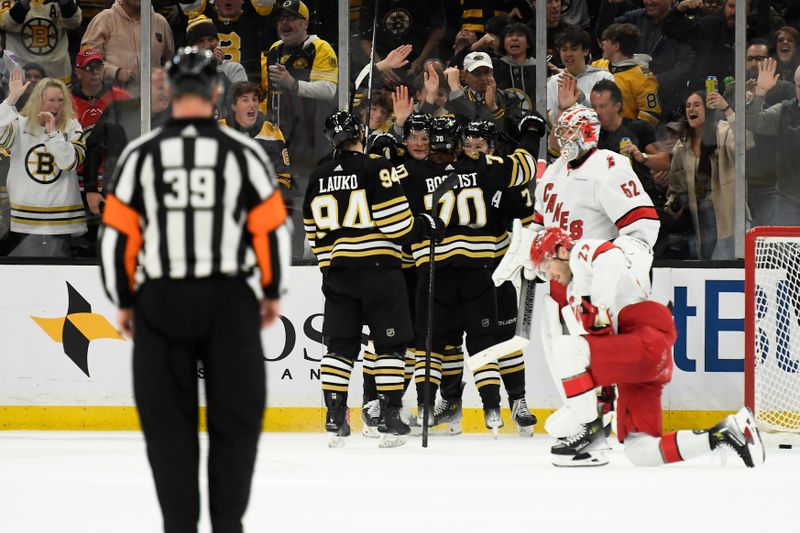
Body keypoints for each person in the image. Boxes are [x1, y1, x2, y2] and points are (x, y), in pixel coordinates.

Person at [98, 47, 291, 533]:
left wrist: (123, 298)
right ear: (218, 92)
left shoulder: (142, 154)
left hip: (161, 301)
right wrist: (271, 290)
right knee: (235, 426)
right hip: (229, 300)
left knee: (168, 431)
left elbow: (117, 236)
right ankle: (228, 526)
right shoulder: (244, 152)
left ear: (170, 90)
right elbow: (271, 229)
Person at [500, 226, 765, 468]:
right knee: (641, 452)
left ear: (560, 250)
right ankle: (725, 432)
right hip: (638, 357)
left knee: (566, 348)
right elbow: (598, 348)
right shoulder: (575, 294)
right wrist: (603, 397)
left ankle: (590, 428)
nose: (548, 275)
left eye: (546, 265)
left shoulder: (580, 252)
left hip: (644, 334)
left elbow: (610, 257)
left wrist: (601, 308)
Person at [304, 110, 441, 448]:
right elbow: (397, 224)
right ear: (359, 135)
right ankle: (391, 416)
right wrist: (426, 225)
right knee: (390, 345)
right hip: (381, 270)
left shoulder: (318, 175)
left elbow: (313, 231)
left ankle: (335, 416)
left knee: (339, 347)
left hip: (339, 273)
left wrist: (330, 266)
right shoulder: (376, 167)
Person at [399, 113, 542, 432]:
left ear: (491, 145)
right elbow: (526, 166)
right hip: (478, 271)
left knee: (488, 339)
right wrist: (531, 133)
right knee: (460, 340)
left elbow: (524, 227)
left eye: (479, 145)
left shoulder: (416, 172)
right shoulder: (487, 170)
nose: (474, 150)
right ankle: (467, 403)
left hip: (489, 271)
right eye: (468, 145)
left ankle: (515, 401)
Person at [0, 71, 86, 257]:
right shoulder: (19, 124)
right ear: (38, 101)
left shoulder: (72, 127)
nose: (56, 105)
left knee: (57, 279)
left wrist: (52, 133)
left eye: (60, 100)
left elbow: (70, 162)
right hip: (25, 219)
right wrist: (11, 99)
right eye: (50, 100)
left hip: (60, 221)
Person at [83, 68, 171, 216]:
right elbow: (94, 148)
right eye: (161, 87)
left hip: (163, 205)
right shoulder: (118, 112)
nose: (166, 93)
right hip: (120, 200)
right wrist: (90, 189)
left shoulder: (179, 119)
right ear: (145, 88)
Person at [665, 90, 738, 259]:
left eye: (697, 105)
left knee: (725, 261)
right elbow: (676, 184)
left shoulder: (724, 131)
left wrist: (727, 109)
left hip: (729, 213)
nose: (691, 109)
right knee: (707, 261)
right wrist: (674, 201)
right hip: (702, 212)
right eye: (688, 106)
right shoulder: (683, 145)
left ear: (708, 109)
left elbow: (743, 145)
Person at [744, 57, 800, 226]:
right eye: (799, 86)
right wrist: (760, 92)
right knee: (784, 249)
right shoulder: (784, 110)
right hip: (788, 198)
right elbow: (752, 123)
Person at [81, 0, 175, 97]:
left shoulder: (161, 23)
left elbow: (170, 64)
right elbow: (86, 62)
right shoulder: (104, 20)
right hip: (112, 104)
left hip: (152, 105)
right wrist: (116, 73)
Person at [219, 81, 293, 192]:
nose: (252, 104)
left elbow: (284, 177)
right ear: (233, 105)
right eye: (245, 100)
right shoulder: (219, 130)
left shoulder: (272, 132)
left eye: (255, 99)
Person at [179, 0, 276, 84]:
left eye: (211, 39)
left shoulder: (253, 18)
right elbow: (190, 5)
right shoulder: (204, 19)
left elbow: (265, 3)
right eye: (201, 41)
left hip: (249, 94)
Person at [593, 23, 661, 126]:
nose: (603, 45)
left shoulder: (644, 78)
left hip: (625, 139)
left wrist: (626, 131)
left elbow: (651, 115)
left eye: (606, 41)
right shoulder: (598, 65)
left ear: (616, 46)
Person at [545, 25, 614, 126]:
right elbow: (551, 122)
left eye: (573, 49)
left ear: (586, 51)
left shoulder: (604, 78)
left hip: (598, 138)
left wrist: (581, 97)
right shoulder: (552, 82)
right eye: (564, 49)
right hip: (563, 138)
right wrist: (562, 107)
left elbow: (608, 114)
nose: (568, 54)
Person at [0, 0, 81, 84]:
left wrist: (65, 3)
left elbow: (74, 22)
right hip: (21, 74)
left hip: (57, 72)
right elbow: (6, 22)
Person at [70, 48, 130, 137]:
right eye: (89, 68)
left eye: (98, 67)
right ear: (78, 73)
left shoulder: (120, 97)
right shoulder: (68, 101)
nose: (95, 72)